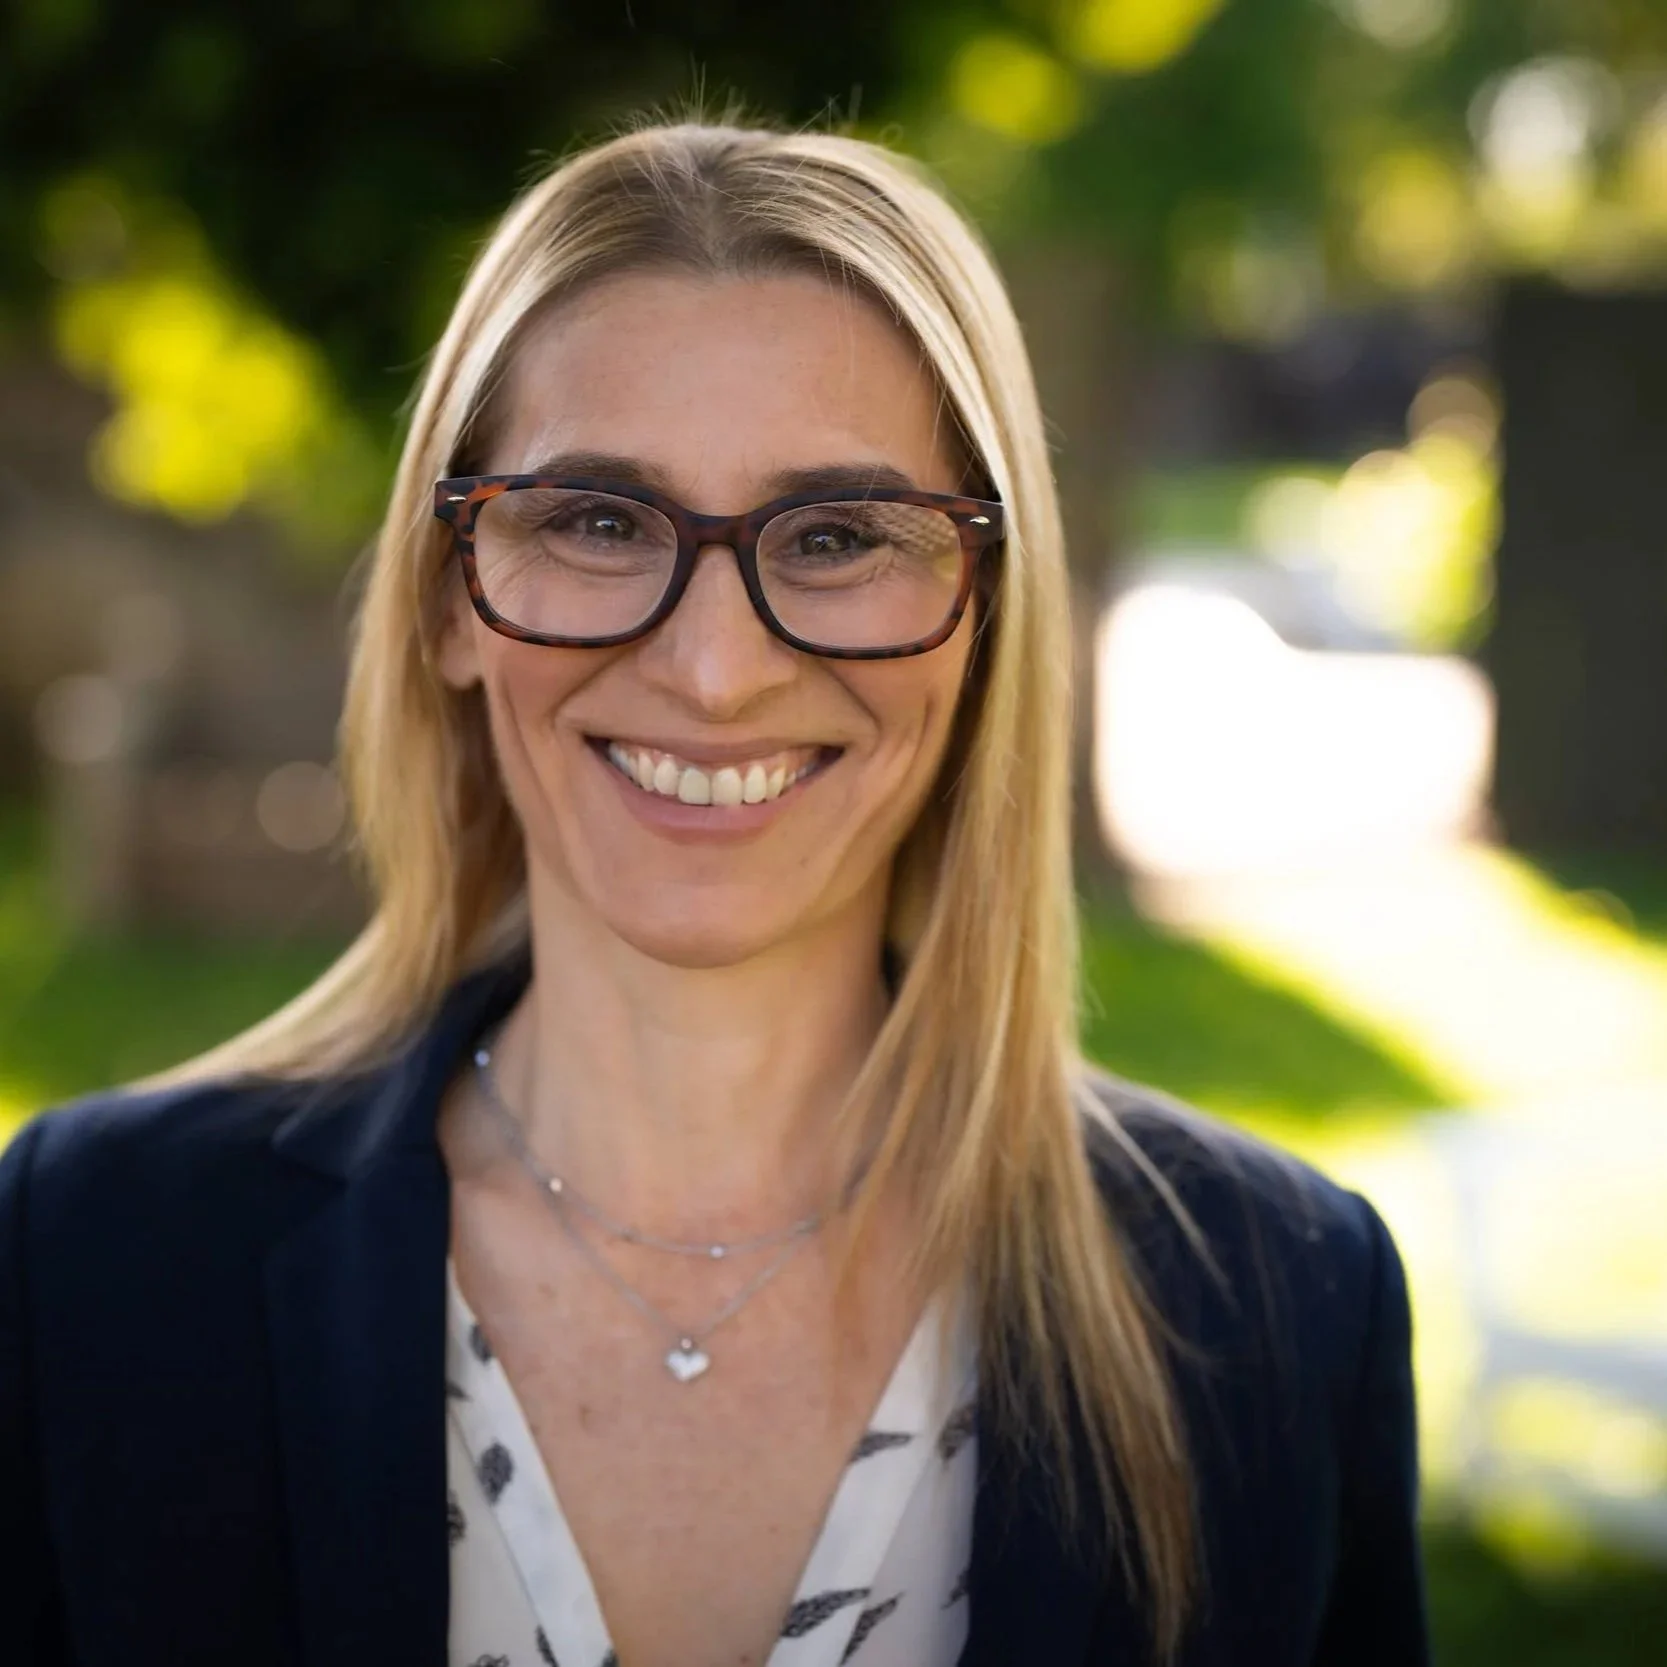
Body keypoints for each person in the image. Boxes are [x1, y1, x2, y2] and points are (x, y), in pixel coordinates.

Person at [0, 121, 1427, 1667]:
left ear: (985, 622)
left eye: (835, 537)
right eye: (601, 522)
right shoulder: (94, 1256)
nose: (714, 669)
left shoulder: (1277, 1305)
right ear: (445, 599)